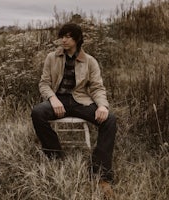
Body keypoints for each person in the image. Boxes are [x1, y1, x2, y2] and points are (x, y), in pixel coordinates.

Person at [31, 23, 117, 196]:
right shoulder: (52, 57)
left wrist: (102, 105)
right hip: (58, 100)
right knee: (37, 112)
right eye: (62, 36)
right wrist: (53, 99)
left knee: (110, 120)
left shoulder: (90, 61)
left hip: (80, 102)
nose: (63, 39)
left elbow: (97, 87)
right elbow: (44, 83)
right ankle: (55, 156)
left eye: (68, 36)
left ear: (77, 39)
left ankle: (101, 174)